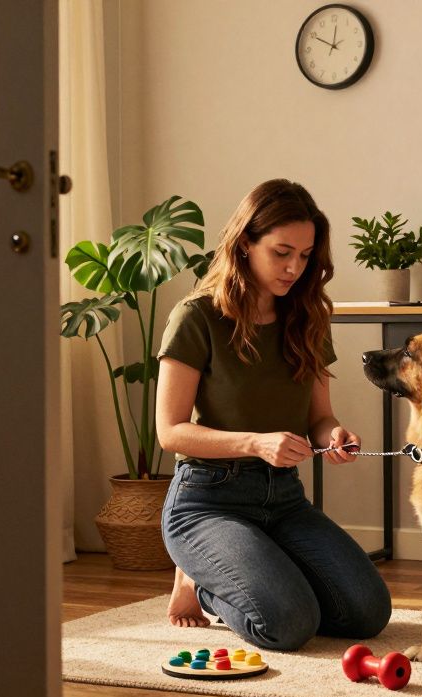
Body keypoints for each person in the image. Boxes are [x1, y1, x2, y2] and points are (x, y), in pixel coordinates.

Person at [154, 179, 392, 651]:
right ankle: (199, 583)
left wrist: (334, 434)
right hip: (207, 501)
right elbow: (170, 432)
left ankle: (253, 569)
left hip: (283, 499)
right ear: (245, 242)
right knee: (288, 624)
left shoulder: (308, 317)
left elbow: (320, 418)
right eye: (282, 252)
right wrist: (256, 442)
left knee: (367, 612)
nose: (294, 268)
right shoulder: (196, 316)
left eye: (304, 256)